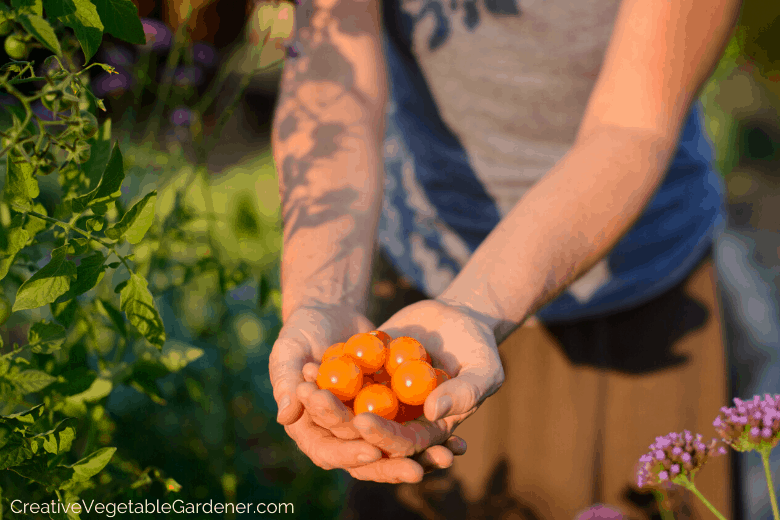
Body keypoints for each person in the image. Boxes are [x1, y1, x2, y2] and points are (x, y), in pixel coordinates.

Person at [266, 0, 744, 517]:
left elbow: (632, 128)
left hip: (638, 297)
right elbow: (334, 77)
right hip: (425, 286)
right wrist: (323, 296)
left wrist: (475, 305)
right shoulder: (399, 352)